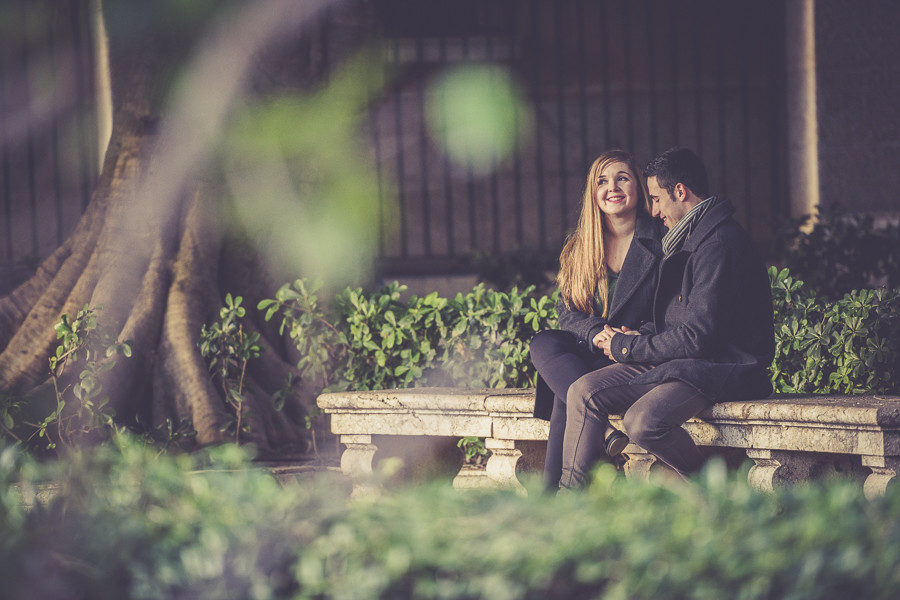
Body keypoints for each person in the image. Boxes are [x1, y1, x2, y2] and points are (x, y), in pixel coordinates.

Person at [558, 147, 775, 489]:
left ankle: (715, 493)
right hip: (684, 359)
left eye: (657, 199)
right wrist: (638, 336)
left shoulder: (719, 243)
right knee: (583, 390)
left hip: (720, 365)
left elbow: (699, 336)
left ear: (680, 192)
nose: (654, 211)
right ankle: (569, 499)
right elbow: (677, 320)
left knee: (642, 421)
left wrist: (628, 347)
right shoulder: (688, 237)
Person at [530, 149, 664, 489]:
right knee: (543, 341)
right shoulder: (582, 244)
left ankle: (554, 498)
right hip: (590, 349)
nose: (612, 187)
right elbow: (566, 309)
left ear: (638, 187)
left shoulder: (662, 240)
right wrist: (595, 333)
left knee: (568, 395)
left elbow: (671, 307)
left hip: (630, 354)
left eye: (622, 177)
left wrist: (631, 337)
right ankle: (603, 432)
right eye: (602, 181)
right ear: (593, 192)